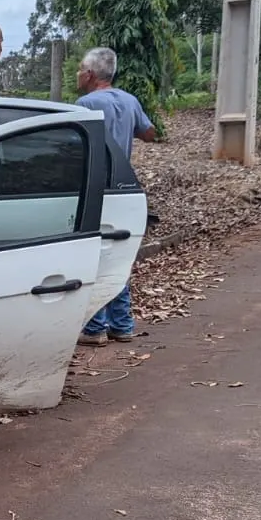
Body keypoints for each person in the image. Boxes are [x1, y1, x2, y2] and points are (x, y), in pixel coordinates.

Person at [74, 47, 159, 346]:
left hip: (95, 188)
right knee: (118, 255)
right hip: (125, 187)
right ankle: (122, 324)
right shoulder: (129, 100)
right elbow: (149, 132)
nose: (77, 74)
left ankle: (95, 326)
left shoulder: (85, 103)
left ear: (91, 74)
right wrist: (124, 129)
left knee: (96, 254)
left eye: (80, 69)